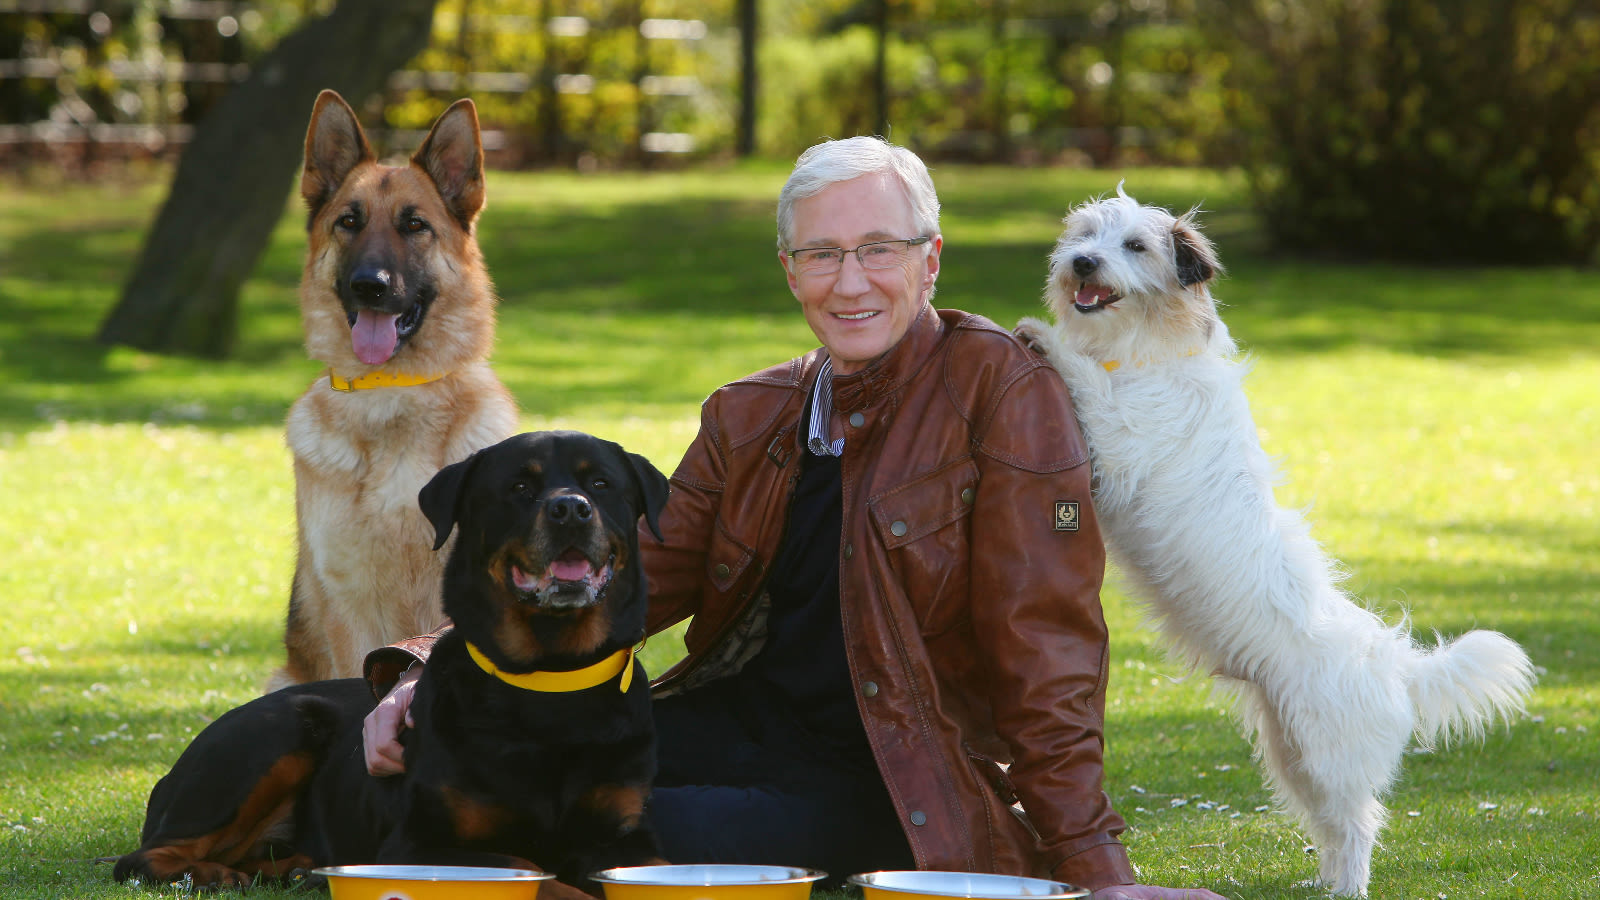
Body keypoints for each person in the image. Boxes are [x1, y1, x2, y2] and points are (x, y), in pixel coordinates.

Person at [361, 137, 1227, 900]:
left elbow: (1049, 649)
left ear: (930, 261)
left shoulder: (999, 392)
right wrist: (423, 673)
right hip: (735, 722)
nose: (850, 282)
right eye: (821, 254)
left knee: (623, 836)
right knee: (452, 754)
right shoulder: (753, 411)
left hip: (894, 773)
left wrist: (1097, 872)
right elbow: (634, 570)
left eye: (878, 249)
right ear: (790, 270)